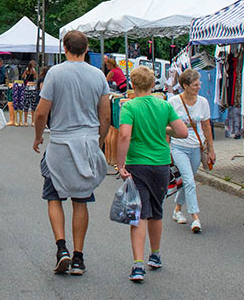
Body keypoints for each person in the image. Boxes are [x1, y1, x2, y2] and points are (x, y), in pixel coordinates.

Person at [34, 30, 110, 276]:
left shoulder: (55, 73)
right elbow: (106, 114)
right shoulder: (98, 75)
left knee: (53, 196)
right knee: (81, 199)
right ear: (87, 48)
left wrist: (38, 136)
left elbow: (41, 112)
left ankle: (61, 247)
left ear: (64, 48)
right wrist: (99, 141)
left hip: (60, 143)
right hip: (87, 141)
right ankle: (78, 256)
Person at [116, 66, 188, 282]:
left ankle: (138, 265)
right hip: (161, 164)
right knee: (156, 210)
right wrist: (163, 129)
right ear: (152, 83)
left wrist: (120, 165)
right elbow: (182, 132)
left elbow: (124, 135)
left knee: (138, 213)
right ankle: (155, 255)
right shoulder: (164, 105)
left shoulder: (129, 107)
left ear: (133, 84)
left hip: (137, 163)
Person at [167, 68, 216, 234]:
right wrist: (167, 148)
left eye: (199, 83)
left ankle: (177, 208)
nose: (199, 87)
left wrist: (211, 149)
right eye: (195, 84)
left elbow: (207, 126)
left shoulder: (203, 102)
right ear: (185, 86)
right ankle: (195, 217)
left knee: (186, 180)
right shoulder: (173, 102)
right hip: (178, 147)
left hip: (196, 147)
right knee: (189, 180)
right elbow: (166, 126)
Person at [19, 60, 38, 126]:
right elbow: (35, 77)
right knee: (32, 105)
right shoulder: (33, 70)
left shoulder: (27, 69)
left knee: (27, 104)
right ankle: (32, 121)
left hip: (27, 87)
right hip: (31, 86)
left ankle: (26, 121)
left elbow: (23, 76)